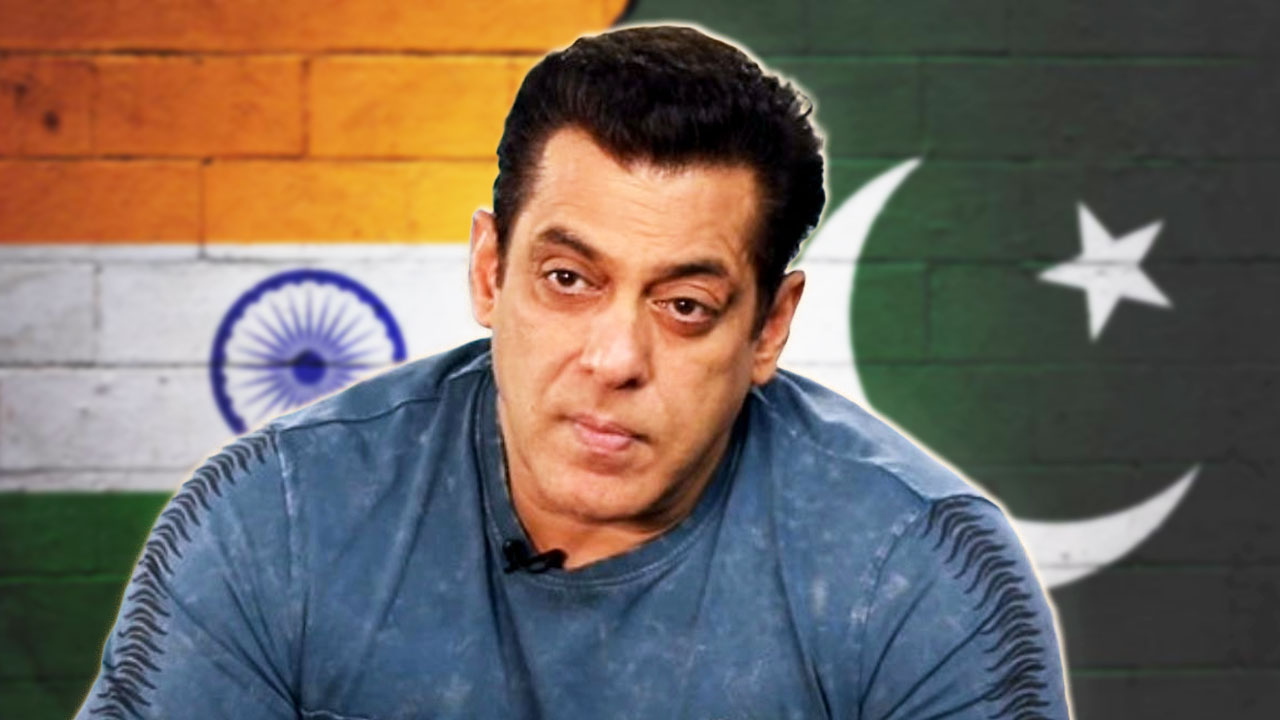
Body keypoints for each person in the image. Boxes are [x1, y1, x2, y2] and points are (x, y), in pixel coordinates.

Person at [78, 25, 1071, 719]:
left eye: (685, 306)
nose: (614, 358)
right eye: (567, 280)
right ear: (488, 271)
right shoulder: (279, 519)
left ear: (768, 328)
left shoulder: (916, 574)